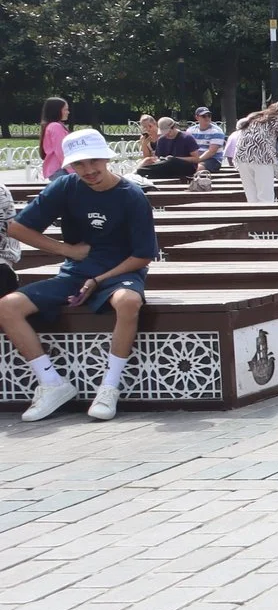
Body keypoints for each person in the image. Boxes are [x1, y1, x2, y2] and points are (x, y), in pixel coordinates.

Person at [4, 129, 158, 423]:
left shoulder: (132, 196)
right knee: (7, 306)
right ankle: (51, 383)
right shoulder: (65, 187)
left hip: (119, 273)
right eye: (79, 165)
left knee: (127, 302)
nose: (88, 170)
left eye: (93, 162)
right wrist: (66, 250)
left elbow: (143, 255)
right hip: (74, 273)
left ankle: (109, 387)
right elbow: (16, 228)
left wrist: (100, 279)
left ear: (106, 158)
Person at [227, 102, 278, 206]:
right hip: (262, 157)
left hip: (242, 156)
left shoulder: (254, 116)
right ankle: (266, 220)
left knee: (251, 195)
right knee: (265, 196)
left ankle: (253, 218)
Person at [136, 114, 202, 185]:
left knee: (171, 161)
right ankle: (140, 172)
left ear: (173, 127)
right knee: (148, 165)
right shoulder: (161, 139)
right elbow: (159, 159)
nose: (166, 135)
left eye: (168, 132)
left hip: (187, 167)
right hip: (168, 167)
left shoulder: (187, 137)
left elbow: (196, 159)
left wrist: (176, 158)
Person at [37, 99, 70, 180]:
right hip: (61, 169)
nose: (68, 112)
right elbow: (61, 151)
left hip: (57, 169)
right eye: (65, 109)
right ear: (56, 110)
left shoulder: (53, 125)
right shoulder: (55, 126)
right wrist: (73, 170)